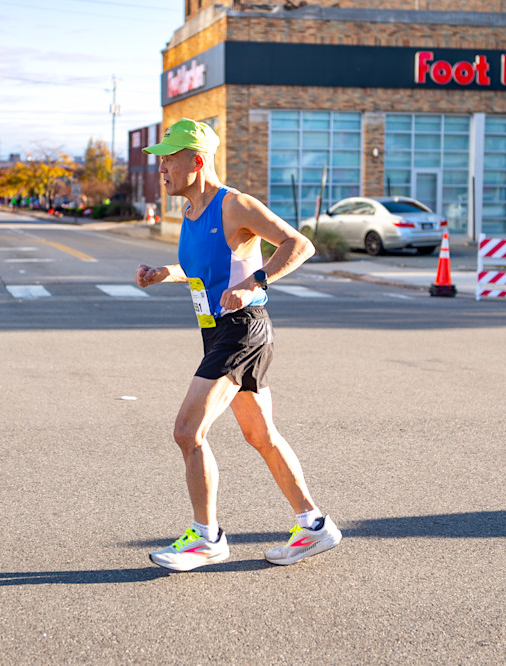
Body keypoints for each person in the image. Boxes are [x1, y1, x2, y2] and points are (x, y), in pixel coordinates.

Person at [135, 118, 342, 572]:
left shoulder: (234, 205)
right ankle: (314, 524)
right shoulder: (189, 214)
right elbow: (203, 269)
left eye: (169, 160)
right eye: (161, 161)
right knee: (260, 435)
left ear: (198, 161)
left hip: (241, 329)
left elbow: (299, 244)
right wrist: (163, 273)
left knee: (188, 431)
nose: (161, 169)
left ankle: (206, 538)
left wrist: (255, 282)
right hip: (218, 330)